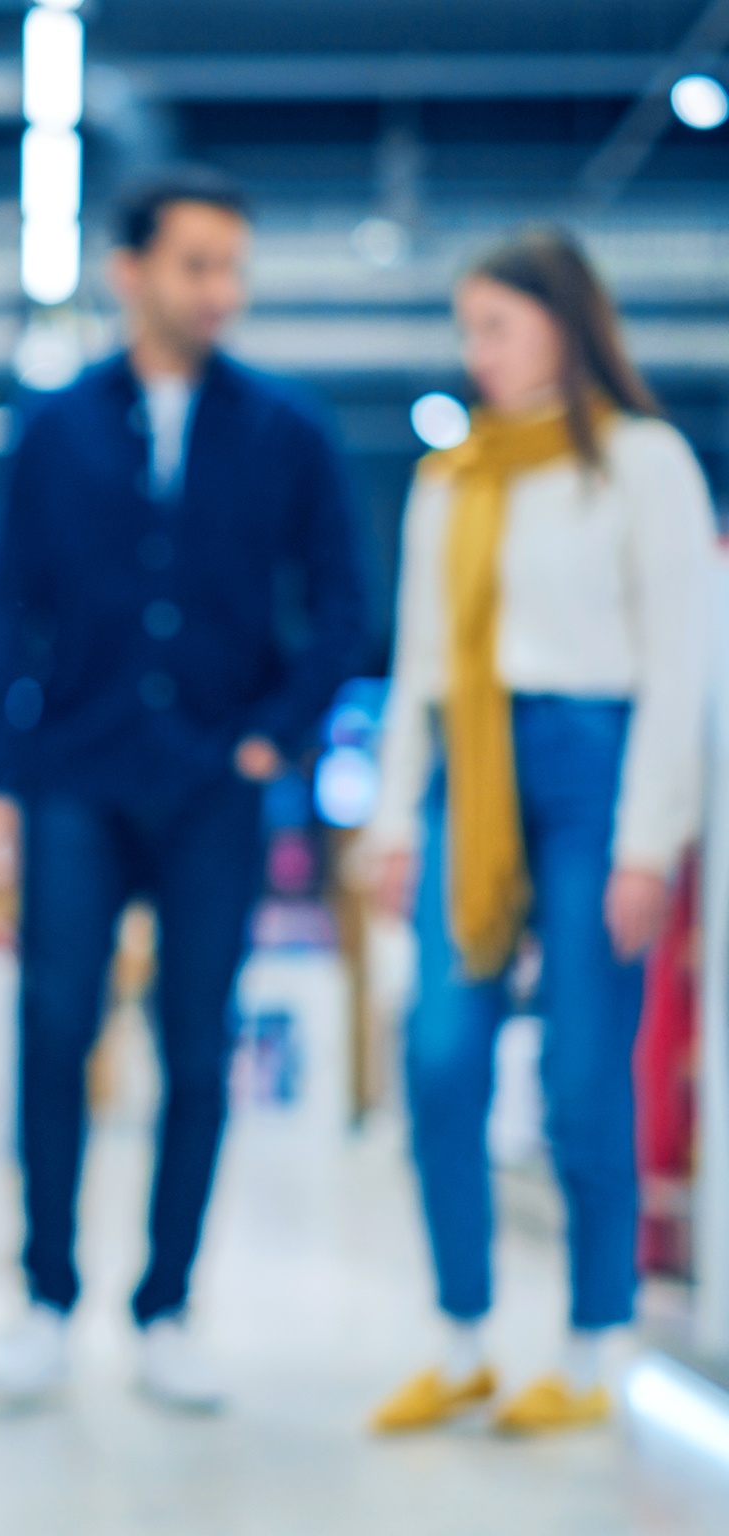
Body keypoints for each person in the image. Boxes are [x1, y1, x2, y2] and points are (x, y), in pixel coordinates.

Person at [0, 167, 369, 1408]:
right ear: (129, 271)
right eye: (197, 264)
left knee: (196, 1045)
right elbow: (0, 604)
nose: (219, 290)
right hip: (73, 776)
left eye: (234, 267)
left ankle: (167, 1307)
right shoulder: (55, 428)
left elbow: (344, 606)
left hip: (212, 785)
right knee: (54, 1029)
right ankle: (44, 1299)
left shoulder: (288, 431)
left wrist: (275, 735)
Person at [365, 228, 714, 1436]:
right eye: (468, 330)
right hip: (467, 777)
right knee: (439, 1058)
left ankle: (595, 1340)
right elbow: (418, 661)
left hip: (590, 768)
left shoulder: (643, 463)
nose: (479, 353)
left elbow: (679, 668)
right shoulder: (452, 481)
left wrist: (648, 842)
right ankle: (461, 1335)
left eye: (497, 327)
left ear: (566, 324)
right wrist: (392, 820)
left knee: (582, 1070)